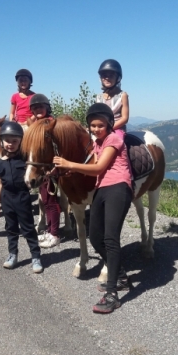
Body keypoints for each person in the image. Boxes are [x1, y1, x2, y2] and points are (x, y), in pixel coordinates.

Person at [52, 102, 133, 314]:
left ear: (109, 125)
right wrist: (72, 172)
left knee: (110, 238)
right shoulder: (97, 143)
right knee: (95, 237)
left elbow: (99, 167)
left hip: (118, 188)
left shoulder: (114, 139)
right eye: (92, 126)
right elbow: (92, 169)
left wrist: (69, 164)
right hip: (102, 189)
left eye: (100, 125)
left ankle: (113, 294)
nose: (96, 129)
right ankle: (121, 275)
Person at [0, 121, 43, 273]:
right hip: (7, 198)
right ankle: (12, 254)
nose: (11, 144)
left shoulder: (25, 160)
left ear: (21, 141)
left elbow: (35, 173)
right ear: (2, 141)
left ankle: (36, 257)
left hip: (22, 197)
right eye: (7, 140)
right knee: (11, 228)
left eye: (15, 141)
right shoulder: (0, 163)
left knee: (28, 228)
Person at [26, 94, 61, 248]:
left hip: (51, 169)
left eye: (40, 106)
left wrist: (53, 169)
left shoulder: (52, 123)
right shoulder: (35, 125)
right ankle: (48, 230)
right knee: (45, 200)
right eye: (34, 108)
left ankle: (55, 234)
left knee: (51, 201)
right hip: (41, 169)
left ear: (47, 107)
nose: (37, 109)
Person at [96, 59, 129, 137]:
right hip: (101, 130)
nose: (107, 78)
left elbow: (125, 118)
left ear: (117, 78)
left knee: (114, 142)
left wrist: (109, 128)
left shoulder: (123, 95)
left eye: (111, 75)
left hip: (117, 129)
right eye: (104, 75)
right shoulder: (98, 97)